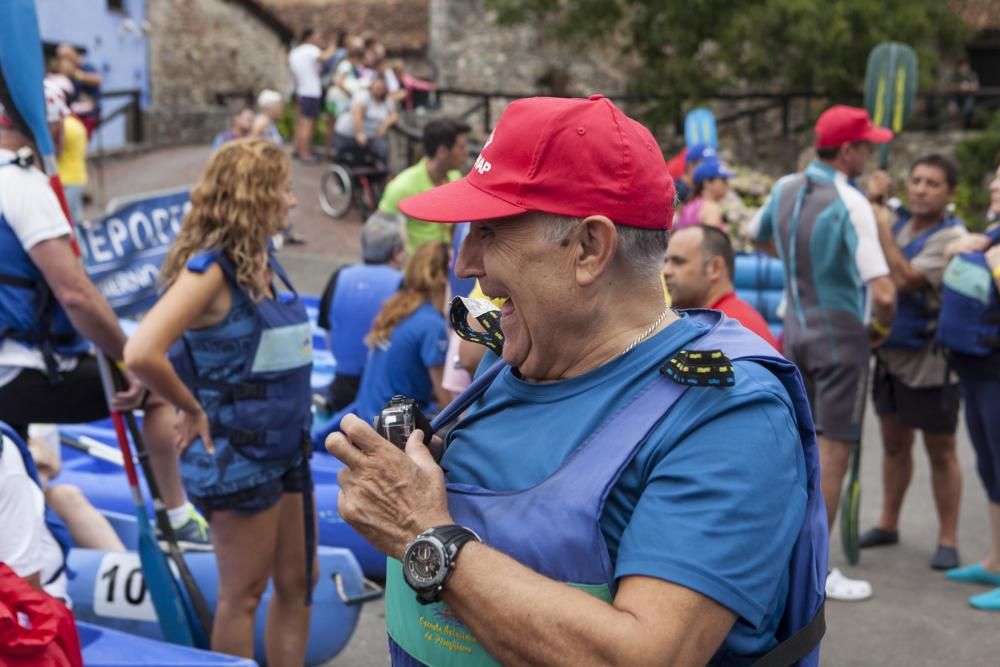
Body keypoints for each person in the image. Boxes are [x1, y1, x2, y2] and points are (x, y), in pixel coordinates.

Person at [325, 96, 827, 666]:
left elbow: (645, 656)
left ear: (589, 248)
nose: (466, 263)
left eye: (489, 231)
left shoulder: (730, 413)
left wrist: (424, 532)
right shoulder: (518, 360)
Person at [124, 139, 316, 662]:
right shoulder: (209, 273)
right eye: (285, 189)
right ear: (255, 196)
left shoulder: (265, 261)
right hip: (239, 458)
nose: (293, 201)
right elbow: (141, 351)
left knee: (299, 582)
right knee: (244, 594)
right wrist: (188, 405)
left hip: (286, 447)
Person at [0, 84, 209, 549]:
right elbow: (76, 295)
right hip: (20, 371)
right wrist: (127, 359)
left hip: (10, 370)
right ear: (48, 124)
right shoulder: (21, 183)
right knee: (155, 387)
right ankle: (178, 519)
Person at [752, 104, 897, 602]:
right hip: (841, 336)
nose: (873, 153)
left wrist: (799, 261)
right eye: (868, 146)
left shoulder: (784, 187)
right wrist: (878, 330)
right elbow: (884, 292)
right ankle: (816, 570)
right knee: (833, 454)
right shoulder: (850, 200)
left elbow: (759, 237)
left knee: (799, 449)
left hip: (797, 331)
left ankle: (784, 557)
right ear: (850, 151)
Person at [860, 155, 968, 570]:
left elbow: (904, 279)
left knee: (940, 449)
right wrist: (873, 203)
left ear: (950, 193)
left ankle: (948, 538)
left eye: (933, 183)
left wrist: (882, 227)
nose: (921, 189)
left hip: (929, 362)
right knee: (893, 441)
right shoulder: (899, 222)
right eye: (917, 180)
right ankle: (888, 523)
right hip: (888, 353)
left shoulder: (951, 237)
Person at [312, 241, 450, 447]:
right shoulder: (432, 325)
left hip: (368, 416)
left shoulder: (395, 307)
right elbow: (447, 400)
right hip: (390, 431)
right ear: (442, 278)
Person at [937, 166, 1000, 610]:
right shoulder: (992, 232)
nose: (994, 186)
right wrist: (969, 247)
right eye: (993, 179)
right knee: (990, 466)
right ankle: (996, 561)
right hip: (977, 367)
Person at [317, 211, 406, 412]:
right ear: (397, 252)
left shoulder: (340, 276)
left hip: (343, 386)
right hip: (386, 392)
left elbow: (327, 329)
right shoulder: (403, 285)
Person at [664, 224, 779, 349]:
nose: (666, 271)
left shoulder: (731, 330)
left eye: (678, 261)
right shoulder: (718, 323)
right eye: (665, 261)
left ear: (715, 268)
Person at [379, 118, 471, 252]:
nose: (466, 152)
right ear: (442, 152)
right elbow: (380, 229)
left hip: (446, 266)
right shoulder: (402, 186)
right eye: (461, 147)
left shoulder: (455, 178)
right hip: (415, 270)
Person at [288, 28, 333, 163]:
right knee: (308, 124)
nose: (319, 40)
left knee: (299, 123)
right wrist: (333, 44)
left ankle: (297, 149)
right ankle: (305, 154)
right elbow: (326, 56)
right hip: (311, 92)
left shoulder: (294, 52)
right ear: (309, 37)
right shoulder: (310, 49)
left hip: (300, 91)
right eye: (317, 37)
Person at [332, 76, 398, 164]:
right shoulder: (364, 96)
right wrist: (360, 133)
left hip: (370, 137)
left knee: (382, 148)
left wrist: (384, 125)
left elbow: (394, 115)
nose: (379, 91)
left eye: (382, 89)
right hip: (349, 135)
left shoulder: (386, 101)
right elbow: (357, 115)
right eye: (377, 88)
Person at [55, 43, 101, 137]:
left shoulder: (86, 67)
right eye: (61, 57)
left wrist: (76, 74)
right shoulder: (67, 71)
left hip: (88, 114)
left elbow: (97, 80)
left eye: (66, 56)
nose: (64, 60)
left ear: (73, 54)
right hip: (74, 113)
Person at [675, 158, 734, 229]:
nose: (727, 184)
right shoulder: (711, 208)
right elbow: (711, 238)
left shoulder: (690, 203)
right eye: (723, 180)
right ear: (707, 183)